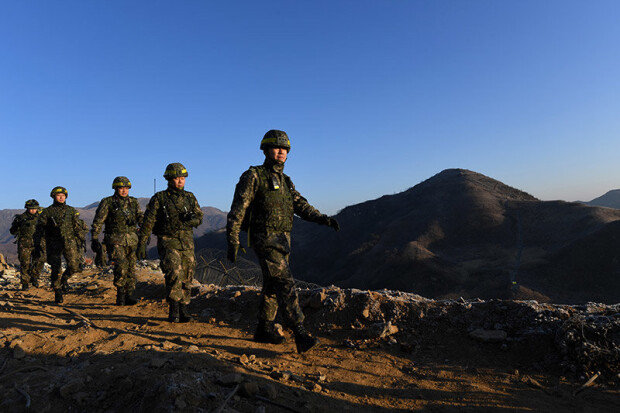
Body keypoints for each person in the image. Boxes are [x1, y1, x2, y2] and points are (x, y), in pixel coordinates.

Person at [226, 129, 340, 353]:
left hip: (283, 240)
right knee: (285, 283)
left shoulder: (285, 180)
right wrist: (232, 239)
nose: (280, 152)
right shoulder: (254, 176)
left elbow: (300, 205)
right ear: (266, 150)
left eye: (284, 148)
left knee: (272, 285)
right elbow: (238, 210)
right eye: (276, 147)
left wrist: (323, 219)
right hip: (264, 239)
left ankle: (264, 328)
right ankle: (300, 332)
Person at [137, 163, 203, 322]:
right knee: (174, 272)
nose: (180, 181)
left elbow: (199, 217)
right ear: (169, 179)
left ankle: (184, 308)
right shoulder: (160, 198)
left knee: (187, 274)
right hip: (168, 241)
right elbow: (148, 221)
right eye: (176, 178)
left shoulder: (190, 197)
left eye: (182, 178)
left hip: (187, 243)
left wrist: (191, 220)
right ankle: (174, 309)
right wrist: (142, 242)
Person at [91, 176, 143, 305]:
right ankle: (120, 295)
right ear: (115, 188)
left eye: (126, 188)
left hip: (132, 240)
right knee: (121, 266)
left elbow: (140, 217)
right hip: (115, 240)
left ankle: (129, 295)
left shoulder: (133, 202)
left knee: (131, 268)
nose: (124, 190)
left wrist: (144, 232)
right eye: (121, 188)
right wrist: (94, 238)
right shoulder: (108, 202)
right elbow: (99, 221)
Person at [35, 187, 86, 303]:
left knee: (74, 266)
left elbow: (77, 226)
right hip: (53, 243)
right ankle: (57, 290)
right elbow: (39, 229)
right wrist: (38, 244)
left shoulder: (71, 210)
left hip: (70, 242)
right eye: (58, 195)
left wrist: (82, 238)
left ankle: (64, 279)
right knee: (56, 268)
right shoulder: (47, 212)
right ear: (54, 197)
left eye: (63, 195)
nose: (61, 197)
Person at [10, 199, 46, 290]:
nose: (33, 210)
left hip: (39, 243)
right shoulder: (21, 218)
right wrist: (16, 225)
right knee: (25, 263)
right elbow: (12, 231)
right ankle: (25, 282)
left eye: (35, 208)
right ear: (27, 208)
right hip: (24, 244)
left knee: (40, 260)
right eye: (31, 208)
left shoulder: (42, 217)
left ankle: (34, 277)